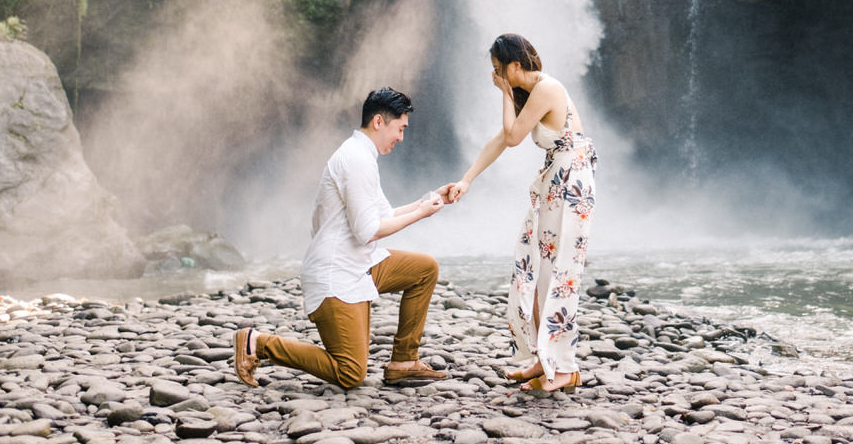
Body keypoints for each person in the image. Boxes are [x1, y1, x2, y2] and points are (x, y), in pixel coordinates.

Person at [233, 87, 450, 389]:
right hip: (336, 275)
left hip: (359, 265)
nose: (401, 137)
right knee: (350, 373)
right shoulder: (355, 159)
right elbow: (368, 230)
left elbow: (383, 216)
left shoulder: (363, 156)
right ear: (378, 122)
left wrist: (429, 199)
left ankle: (403, 361)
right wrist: (422, 214)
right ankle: (258, 343)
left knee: (424, 269)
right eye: (399, 129)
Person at [447, 34, 597, 393]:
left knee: (558, 273)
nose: (496, 77)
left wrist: (503, 93)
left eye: (499, 71)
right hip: (556, 182)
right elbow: (501, 139)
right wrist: (466, 180)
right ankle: (541, 359)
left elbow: (513, 137)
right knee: (534, 269)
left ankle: (564, 368)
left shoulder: (547, 88)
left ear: (515, 65)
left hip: (571, 185)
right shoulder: (534, 93)